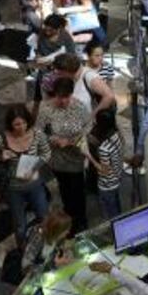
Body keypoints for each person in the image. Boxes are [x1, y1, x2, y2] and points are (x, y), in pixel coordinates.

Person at [0, 104, 51, 247]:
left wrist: (35, 166)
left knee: (44, 217)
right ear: (10, 124)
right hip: (13, 188)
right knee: (20, 225)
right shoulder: (2, 139)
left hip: (34, 184)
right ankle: (23, 251)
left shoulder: (37, 134)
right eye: (17, 124)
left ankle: (45, 247)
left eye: (24, 123)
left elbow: (46, 153)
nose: (22, 127)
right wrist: (1, 157)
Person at [37, 77, 91, 235]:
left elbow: (88, 127)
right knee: (65, 190)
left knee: (78, 191)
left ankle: (81, 221)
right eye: (59, 96)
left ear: (71, 94)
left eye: (66, 97)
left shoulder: (79, 107)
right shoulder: (45, 108)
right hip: (58, 159)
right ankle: (70, 223)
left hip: (75, 157)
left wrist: (73, 141)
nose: (62, 101)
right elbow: (38, 133)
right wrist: (53, 139)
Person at [82, 108, 123, 220]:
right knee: (116, 205)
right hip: (117, 177)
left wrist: (88, 155)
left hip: (107, 185)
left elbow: (104, 170)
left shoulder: (104, 149)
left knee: (109, 214)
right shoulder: (116, 135)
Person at [52, 52, 116, 116]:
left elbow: (109, 96)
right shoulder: (71, 78)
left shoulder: (89, 76)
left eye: (60, 73)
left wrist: (93, 116)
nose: (58, 74)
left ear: (67, 70)